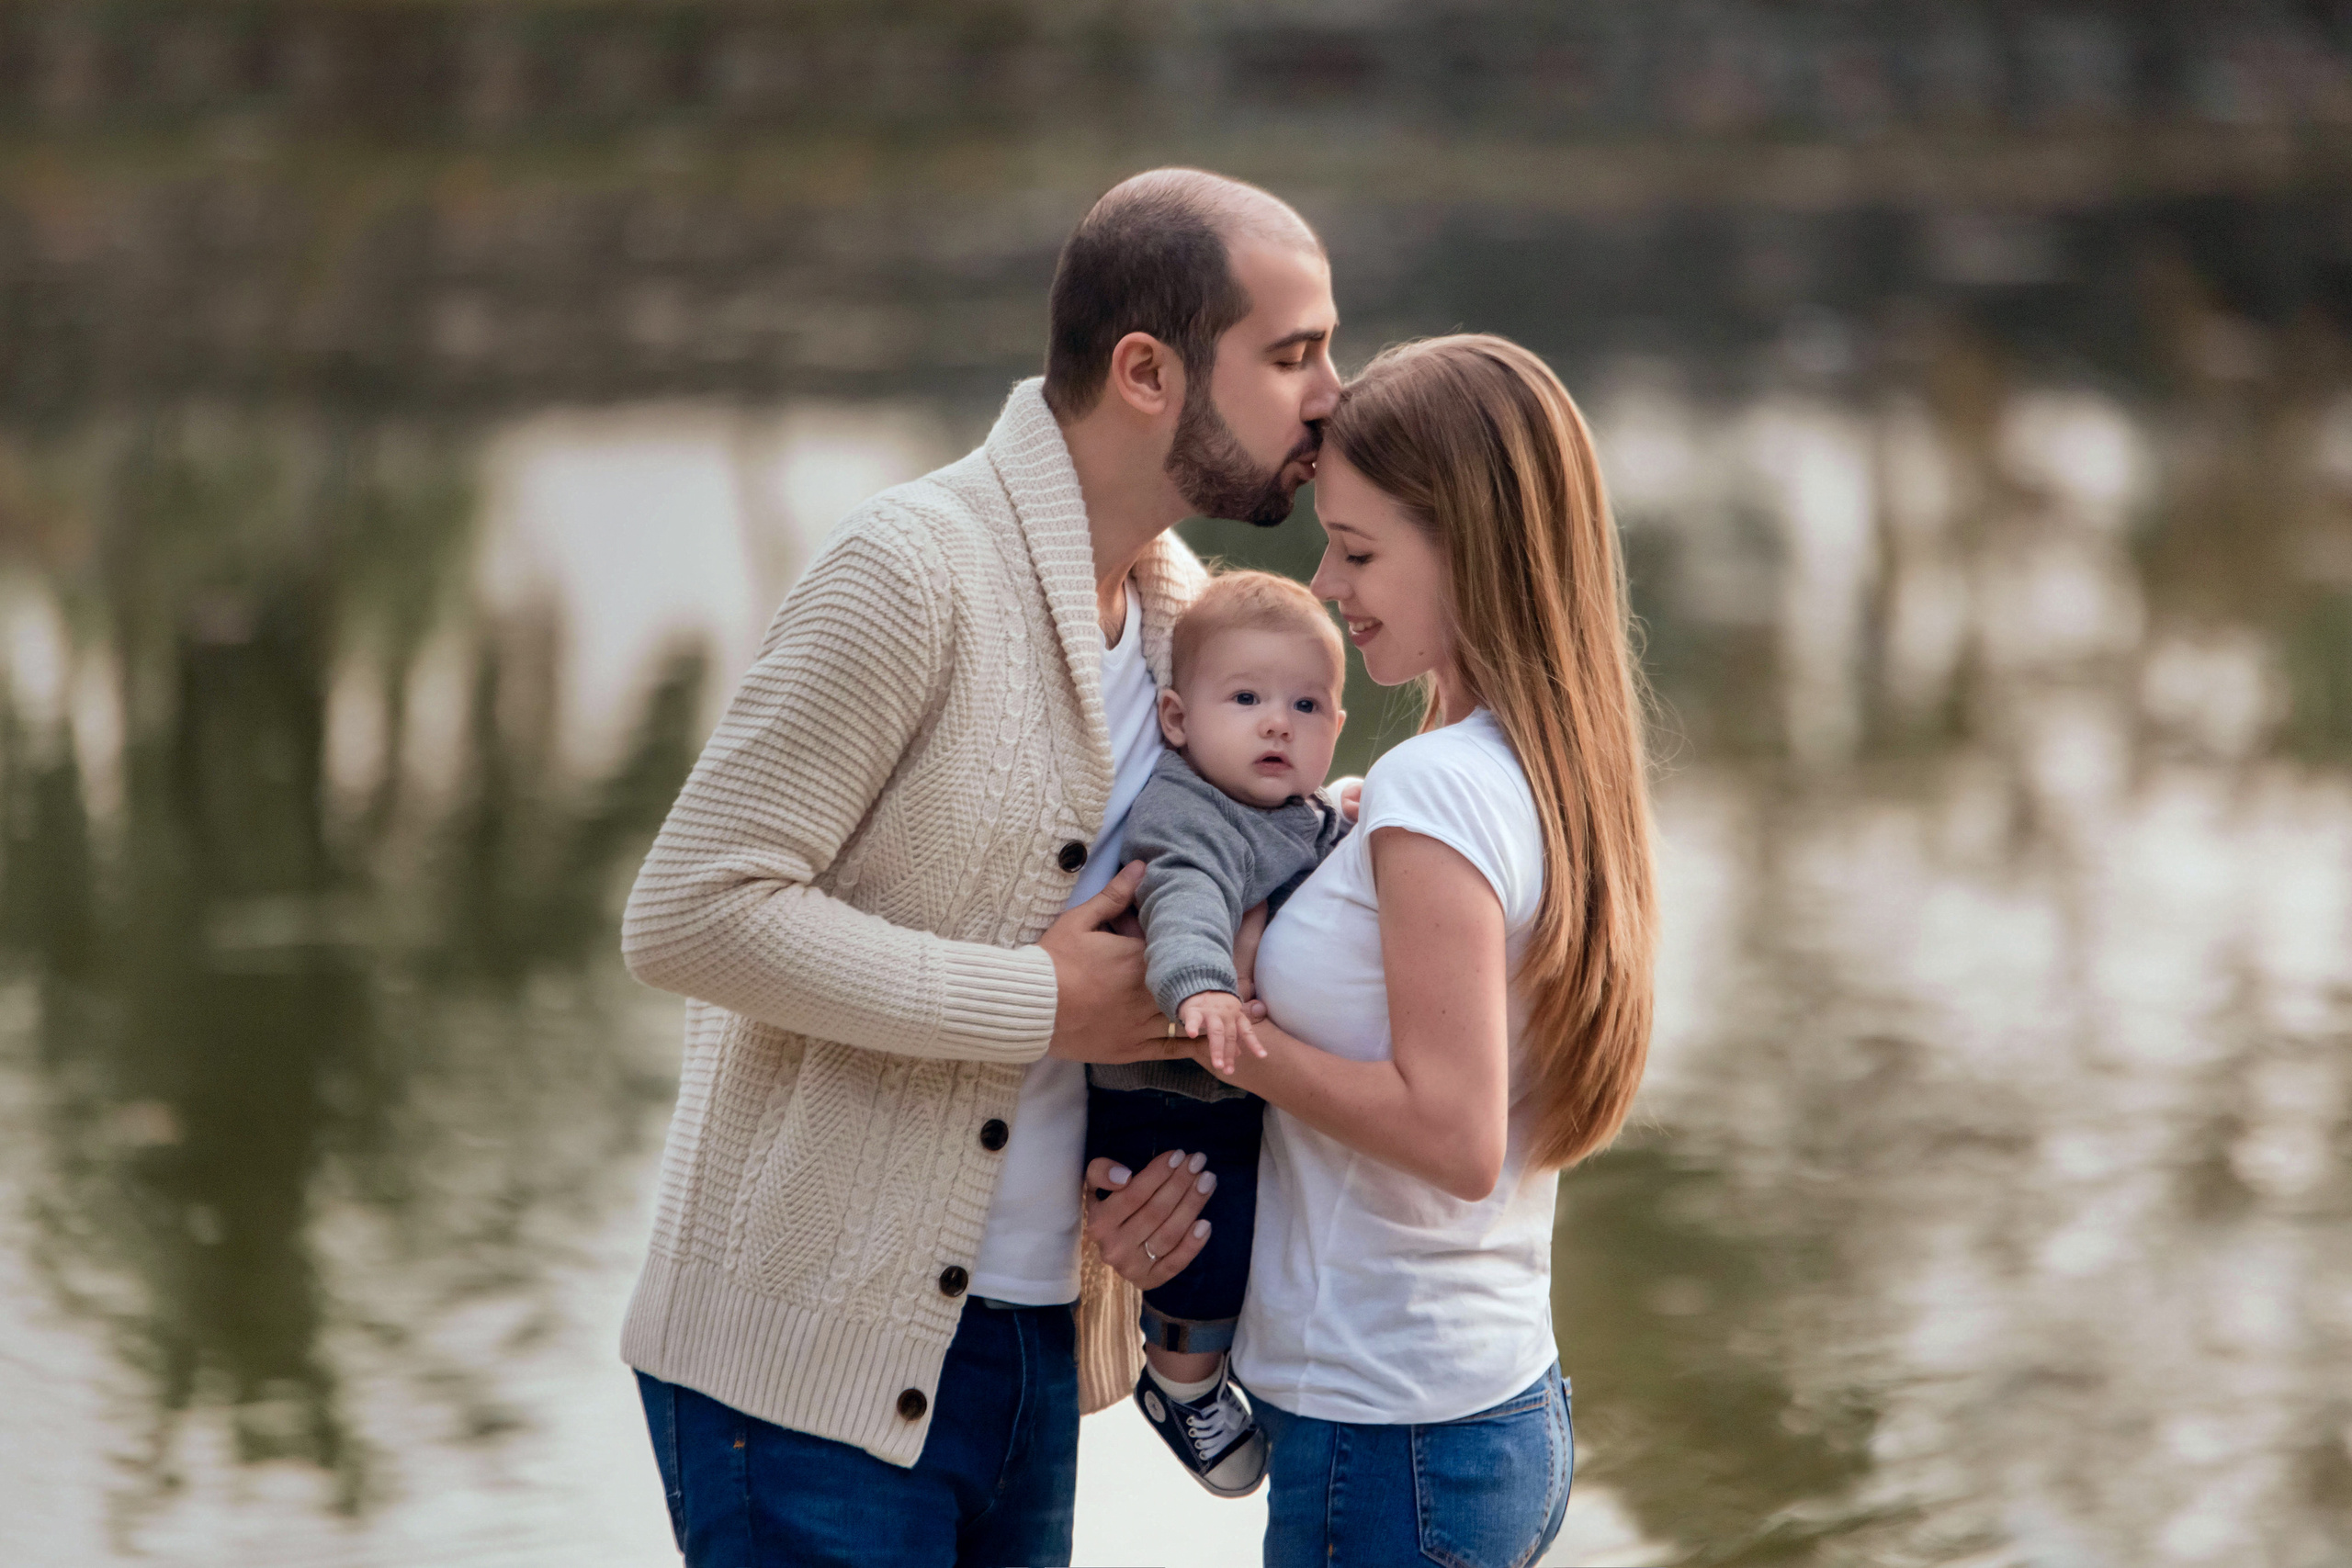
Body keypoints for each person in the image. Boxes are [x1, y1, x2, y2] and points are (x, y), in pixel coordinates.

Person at [616, 167, 1340, 1568]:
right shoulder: (912, 570)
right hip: (803, 1378)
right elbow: (691, 913)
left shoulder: (1197, 629)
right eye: (1293, 353)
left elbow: (1130, 975)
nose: (1330, 396)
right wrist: (1039, 1004)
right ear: (1147, 370)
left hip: (1032, 1356)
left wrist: (1124, 1201)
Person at [1084, 335, 1659, 1567]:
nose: (1331, 587)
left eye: (1357, 549)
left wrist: (1238, 1041)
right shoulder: (1527, 766)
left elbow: (1455, 1137)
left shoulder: (1435, 790)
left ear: (1472, 540)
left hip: (1395, 1433)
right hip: (1476, 1402)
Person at [1084, 570, 1351, 1496]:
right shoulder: (1189, 807)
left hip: (1238, 1092)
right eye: (1245, 700)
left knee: (1254, 1230)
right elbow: (1184, 895)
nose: (1276, 722)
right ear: (1175, 718)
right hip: (1165, 1100)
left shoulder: (1302, 814)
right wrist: (1201, 987)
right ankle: (1179, 1382)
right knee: (1203, 1235)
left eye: (1305, 704)